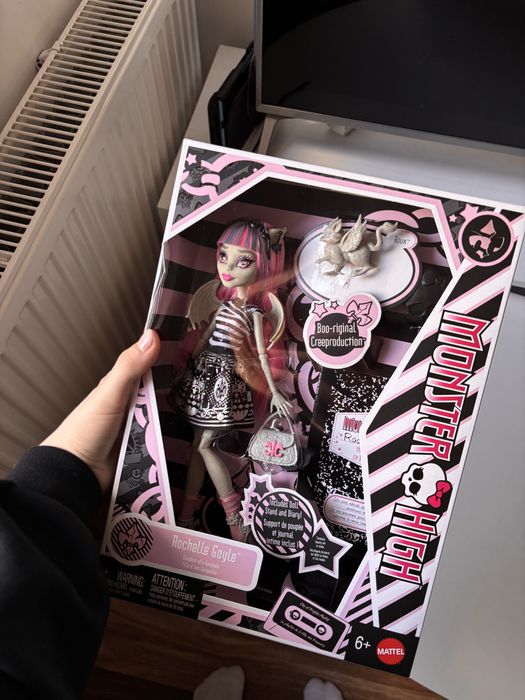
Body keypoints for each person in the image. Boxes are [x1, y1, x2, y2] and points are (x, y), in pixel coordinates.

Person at [0, 329, 342, 700]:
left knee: (207, 447)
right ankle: (209, 512)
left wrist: (67, 466)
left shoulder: (253, 316)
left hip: (229, 384)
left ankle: (224, 515)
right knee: (202, 447)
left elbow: (259, 350)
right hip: (210, 379)